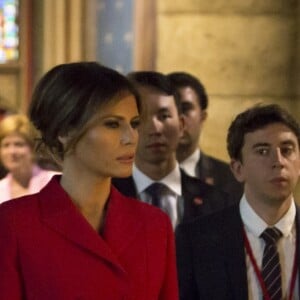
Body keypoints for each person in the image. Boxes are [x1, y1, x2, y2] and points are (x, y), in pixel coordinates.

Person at [0, 62, 178, 299]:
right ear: (65, 131)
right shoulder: (14, 223)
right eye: (112, 124)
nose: (131, 137)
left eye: (134, 124)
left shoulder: (154, 225)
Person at [176, 104, 300, 299]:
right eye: (262, 151)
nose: (279, 161)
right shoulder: (196, 240)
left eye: (287, 150)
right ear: (237, 169)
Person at [113, 71, 231, 229]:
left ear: (181, 125)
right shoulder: (105, 198)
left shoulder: (218, 202)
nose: (155, 128)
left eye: (164, 116)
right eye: (140, 119)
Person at [168, 71, 243, 202]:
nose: (178, 118)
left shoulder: (231, 180)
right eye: (169, 110)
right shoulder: (132, 177)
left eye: (185, 108)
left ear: (202, 118)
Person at [0, 114, 59, 202]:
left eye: (18, 144)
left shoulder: (55, 182)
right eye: (6, 145)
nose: (12, 151)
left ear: (33, 148)